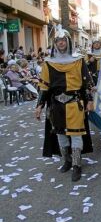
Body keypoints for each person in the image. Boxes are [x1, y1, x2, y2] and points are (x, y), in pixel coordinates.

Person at [35, 25, 95, 182]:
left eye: (63, 40)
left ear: (68, 41)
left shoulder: (78, 60)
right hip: (56, 105)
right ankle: (67, 160)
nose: (61, 43)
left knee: (75, 134)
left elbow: (87, 82)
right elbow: (44, 85)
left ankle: (77, 165)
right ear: (55, 43)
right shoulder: (48, 63)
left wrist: (89, 100)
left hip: (74, 103)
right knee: (61, 134)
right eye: (58, 40)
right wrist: (39, 105)